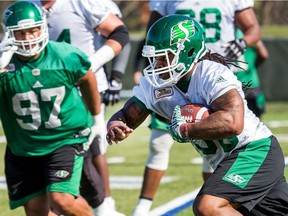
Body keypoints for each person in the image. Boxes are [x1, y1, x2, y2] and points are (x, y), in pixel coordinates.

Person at [106, 14, 288, 216]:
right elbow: (127, 114)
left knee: (207, 206)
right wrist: (115, 124)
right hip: (229, 160)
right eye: (154, 58)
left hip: (254, 150)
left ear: (187, 51)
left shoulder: (211, 73)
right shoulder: (153, 84)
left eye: (163, 57)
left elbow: (233, 122)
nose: (157, 65)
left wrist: (186, 129)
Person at [131, 1, 264, 214]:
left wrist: (243, 42)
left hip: (213, 74)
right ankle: (143, 207)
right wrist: (143, 66)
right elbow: (152, 34)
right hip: (171, 74)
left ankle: (218, 199)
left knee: (220, 143)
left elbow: (253, 29)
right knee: (159, 141)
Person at [25, 0, 129, 215]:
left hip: (84, 87)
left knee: (86, 148)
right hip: (46, 91)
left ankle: (102, 205)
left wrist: (91, 64)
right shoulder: (27, 7)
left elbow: (120, 33)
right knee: (58, 149)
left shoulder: (82, 3)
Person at [0, 1, 104, 215]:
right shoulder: (4, 66)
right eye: (21, 33)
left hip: (64, 139)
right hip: (23, 147)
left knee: (62, 201)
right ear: (9, 35)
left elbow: (87, 78)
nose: (28, 38)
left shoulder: (64, 55)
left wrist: (97, 118)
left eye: (33, 31)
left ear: (43, 27)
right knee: (37, 211)